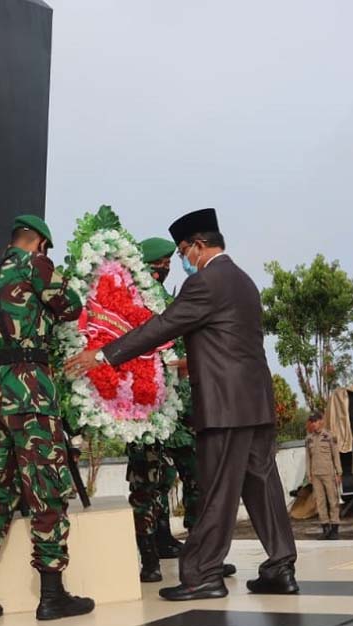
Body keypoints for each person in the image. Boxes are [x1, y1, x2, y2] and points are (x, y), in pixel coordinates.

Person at [66, 208, 298, 600]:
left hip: (225, 408)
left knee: (216, 490)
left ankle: (203, 574)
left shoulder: (206, 282)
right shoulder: (243, 281)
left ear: (199, 245)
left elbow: (163, 326)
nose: (182, 261)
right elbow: (235, 343)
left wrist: (103, 354)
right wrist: (195, 363)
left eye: (182, 252)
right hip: (255, 402)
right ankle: (280, 566)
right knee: (262, 485)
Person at [0, 215, 94, 621]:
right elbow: (71, 308)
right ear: (40, 243)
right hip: (29, 394)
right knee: (46, 489)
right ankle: (52, 594)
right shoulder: (36, 266)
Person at [139, 237, 199, 558]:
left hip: (171, 402)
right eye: (163, 264)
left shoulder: (155, 297)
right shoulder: (148, 300)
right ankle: (174, 542)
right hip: (164, 403)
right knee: (170, 475)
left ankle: (165, 541)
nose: (166, 267)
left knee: (162, 475)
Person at [305, 412, 341, 540]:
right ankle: (325, 528)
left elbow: (335, 455)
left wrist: (338, 472)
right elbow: (308, 458)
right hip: (315, 475)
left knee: (332, 500)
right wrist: (308, 474)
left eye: (315, 421)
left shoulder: (329, 436)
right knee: (320, 502)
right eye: (312, 421)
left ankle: (335, 528)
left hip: (329, 473)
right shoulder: (309, 439)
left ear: (321, 421)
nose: (313, 424)